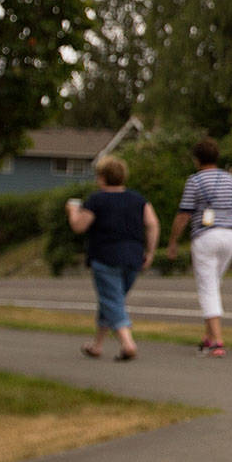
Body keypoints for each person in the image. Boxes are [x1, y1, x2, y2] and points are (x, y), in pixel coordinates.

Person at [65, 155, 158, 362]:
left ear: (102, 178)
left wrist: (73, 212)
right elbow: (152, 224)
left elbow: (79, 226)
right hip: (133, 257)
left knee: (112, 300)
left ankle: (127, 343)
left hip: (105, 257)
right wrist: (150, 252)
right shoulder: (138, 199)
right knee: (112, 300)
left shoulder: (96, 200)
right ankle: (97, 345)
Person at [169, 136, 232, 357]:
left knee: (207, 287)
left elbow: (184, 214)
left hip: (206, 236)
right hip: (230, 235)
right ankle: (209, 336)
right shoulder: (231, 180)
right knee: (213, 283)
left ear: (196, 159)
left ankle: (218, 342)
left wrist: (173, 241)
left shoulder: (194, 181)